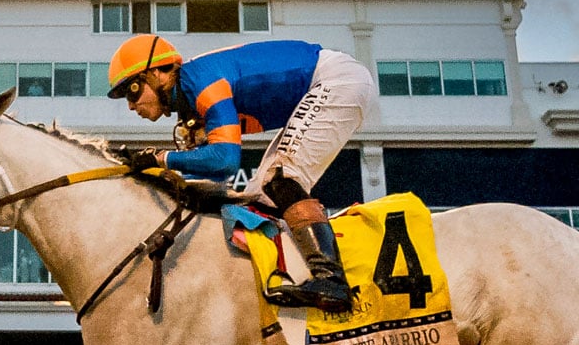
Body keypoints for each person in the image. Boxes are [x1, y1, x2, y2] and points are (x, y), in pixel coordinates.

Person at [106, 31, 377, 313]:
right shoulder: (192, 95)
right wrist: (157, 172)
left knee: (280, 178)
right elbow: (214, 178)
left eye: (131, 91)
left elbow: (225, 161)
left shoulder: (202, 82)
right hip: (330, 81)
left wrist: (162, 158)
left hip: (336, 80)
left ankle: (331, 280)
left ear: (156, 75)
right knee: (258, 201)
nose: (130, 105)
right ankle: (288, 278)